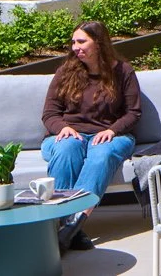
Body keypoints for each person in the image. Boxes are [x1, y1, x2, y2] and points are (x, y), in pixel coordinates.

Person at [40, 19, 142, 252]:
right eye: (73, 42)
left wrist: (112, 130)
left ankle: (71, 225)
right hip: (69, 134)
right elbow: (49, 113)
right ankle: (66, 225)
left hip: (110, 135)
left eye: (81, 41)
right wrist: (62, 128)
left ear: (98, 43)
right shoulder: (66, 71)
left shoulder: (123, 72)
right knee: (67, 149)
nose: (75, 47)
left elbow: (134, 113)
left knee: (102, 155)